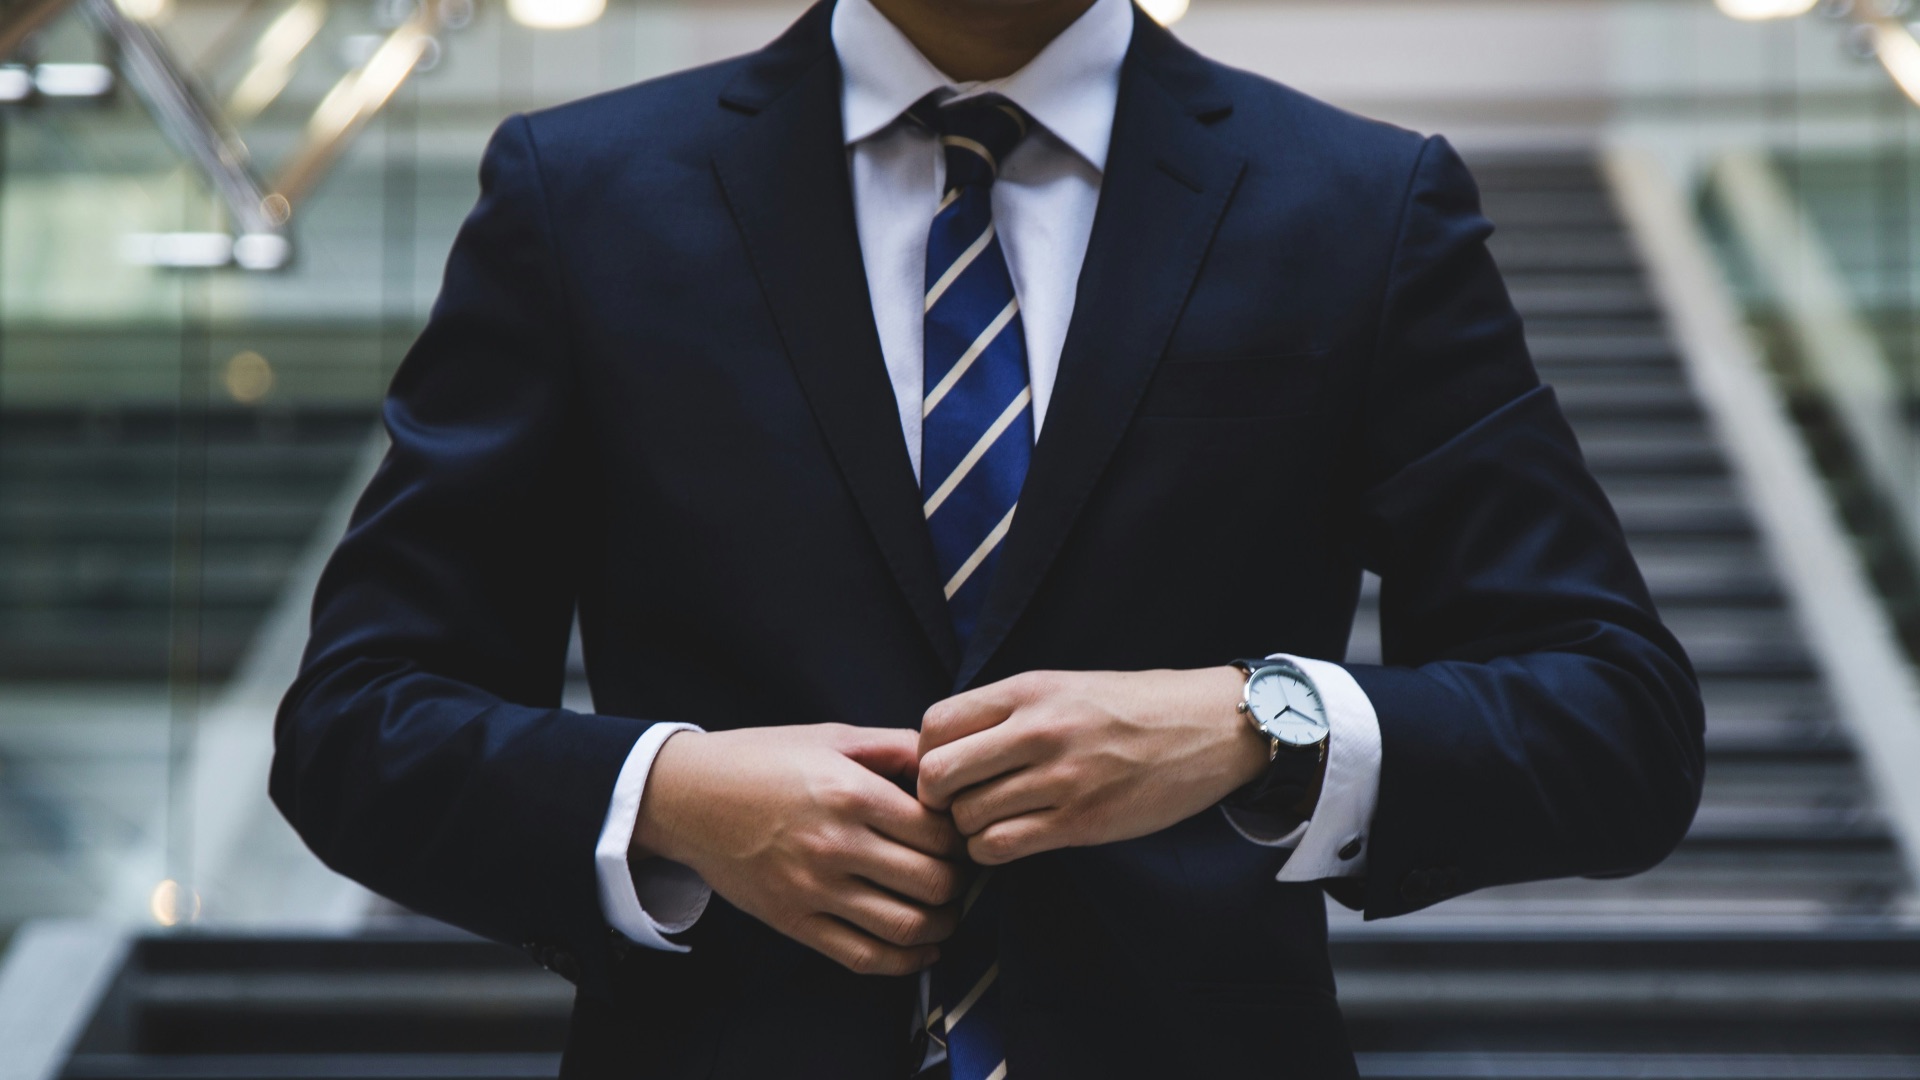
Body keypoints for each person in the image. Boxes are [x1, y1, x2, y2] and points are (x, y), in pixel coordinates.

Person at [271, 0, 1706, 1075]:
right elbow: (354, 723)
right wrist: (672, 796)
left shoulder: (1359, 206)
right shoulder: (581, 197)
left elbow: (1617, 718)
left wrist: (1262, 721)